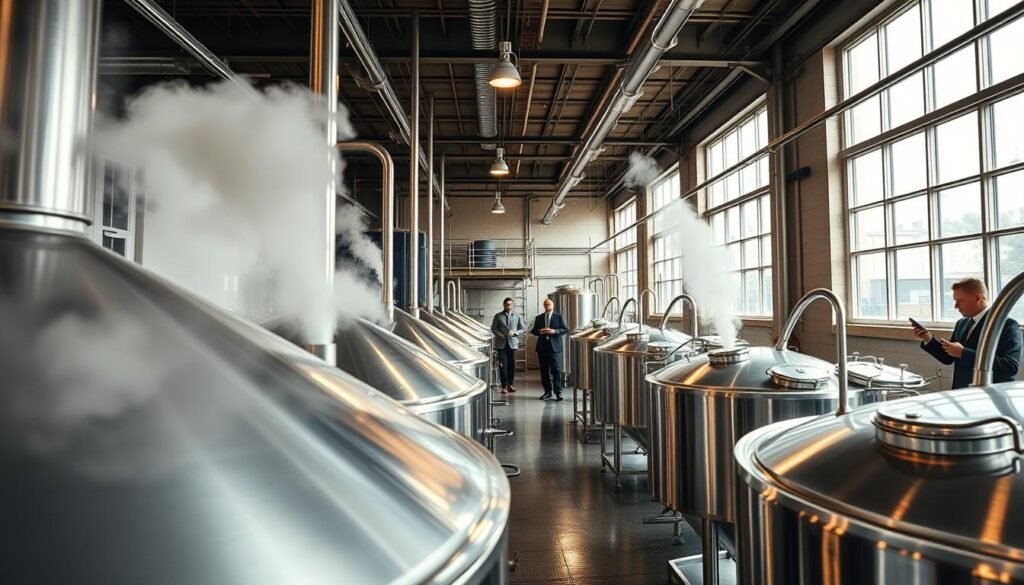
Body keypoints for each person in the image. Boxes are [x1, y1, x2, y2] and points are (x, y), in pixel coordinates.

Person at [912, 277, 1022, 389]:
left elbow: (1010, 366)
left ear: (978, 298)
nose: (956, 306)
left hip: (989, 396)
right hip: (961, 392)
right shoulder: (961, 323)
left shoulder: (1007, 325)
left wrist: (964, 353)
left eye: (960, 301)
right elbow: (948, 358)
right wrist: (928, 339)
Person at [532, 298, 569, 401]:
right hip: (542, 347)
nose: (547, 306)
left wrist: (555, 331)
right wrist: (540, 331)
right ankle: (547, 392)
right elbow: (533, 331)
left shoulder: (558, 316)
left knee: (556, 370)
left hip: (555, 348)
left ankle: (558, 392)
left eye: (549, 305)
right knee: (544, 371)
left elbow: (565, 329)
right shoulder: (539, 318)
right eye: (545, 305)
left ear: (552, 305)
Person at [491, 297, 525, 394]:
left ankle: (511, 384)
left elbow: (523, 329)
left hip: (512, 344)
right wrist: (502, 336)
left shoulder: (517, 316)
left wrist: (514, 333)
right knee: (503, 365)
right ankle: (504, 386)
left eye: (510, 304)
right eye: (507, 305)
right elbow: (493, 328)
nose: (508, 306)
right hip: (501, 344)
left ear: (512, 305)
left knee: (512, 365)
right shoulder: (498, 316)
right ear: (504, 305)